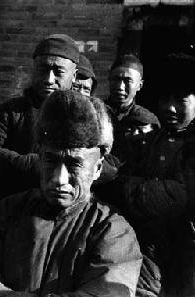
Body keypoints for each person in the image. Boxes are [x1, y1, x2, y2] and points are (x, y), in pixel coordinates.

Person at [0, 90, 142, 297]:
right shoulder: (6, 214)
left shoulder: (112, 231)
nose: (59, 179)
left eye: (74, 165)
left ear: (97, 168)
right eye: (51, 161)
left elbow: (110, 292)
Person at [113, 53, 195, 297]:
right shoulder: (151, 140)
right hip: (149, 249)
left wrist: (127, 186)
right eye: (164, 99)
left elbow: (178, 196)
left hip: (187, 253)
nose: (170, 108)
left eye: (180, 100)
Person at [0, 34, 79, 198]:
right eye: (42, 70)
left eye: (58, 71)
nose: (49, 79)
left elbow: (109, 164)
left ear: (73, 75)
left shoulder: (86, 114)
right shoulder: (11, 111)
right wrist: (37, 166)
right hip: (16, 208)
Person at [106, 54, 159, 161]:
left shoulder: (147, 121)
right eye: (116, 79)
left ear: (140, 85)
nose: (120, 86)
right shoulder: (96, 113)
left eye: (127, 81)